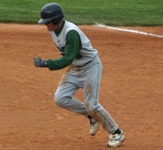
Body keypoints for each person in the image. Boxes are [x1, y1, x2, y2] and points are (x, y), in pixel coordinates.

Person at [33, 3, 125, 147]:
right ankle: (91, 116)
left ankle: (116, 132)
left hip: (90, 67)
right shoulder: (52, 30)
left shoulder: (71, 33)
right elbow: (70, 59)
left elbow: (67, 59)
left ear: (57, 20)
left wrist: (46, 63)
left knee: (92, 105)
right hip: (76, 68)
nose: (46, 25)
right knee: (60, 98)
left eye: (48, 22)